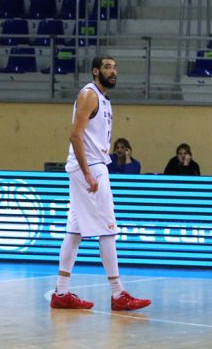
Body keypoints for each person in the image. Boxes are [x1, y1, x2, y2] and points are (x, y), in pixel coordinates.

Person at [49, 56, 150, 311]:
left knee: (74, 231)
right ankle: (118, 293)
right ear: (95, 71)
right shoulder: (89, 95)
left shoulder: (103, 98)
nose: (113, 71)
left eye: (115, 67)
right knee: (108, 229)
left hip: (90, 166)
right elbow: (75, 135)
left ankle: (61, 292)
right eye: (107, 67)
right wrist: (87, 174)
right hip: (90, 167)